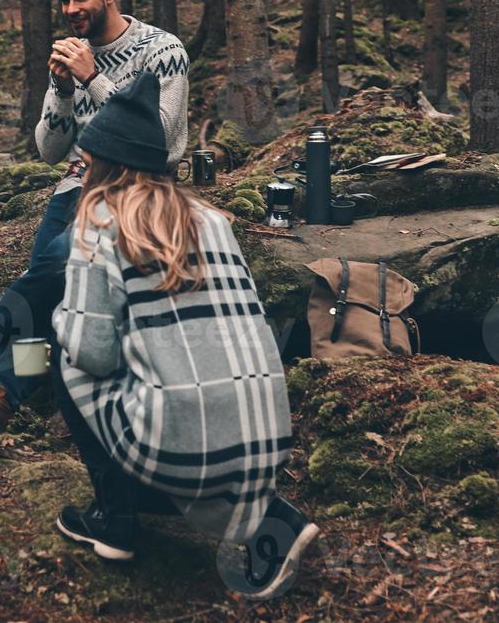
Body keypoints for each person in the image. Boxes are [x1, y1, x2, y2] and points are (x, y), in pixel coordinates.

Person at [49, 72, 317, 601]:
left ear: (101, 161)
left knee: (69, 358)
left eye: (84, 160)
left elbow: (94, 352)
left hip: (182, 448)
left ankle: (114, 519)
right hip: (266, 433)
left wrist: (62, 317)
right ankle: (268, 516)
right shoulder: (211, 217)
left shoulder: (99, 221)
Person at [0, 0, 189, 414]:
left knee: (52, 267)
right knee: (44, 306)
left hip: (137, 190)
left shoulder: (162, 50)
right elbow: (48, 150)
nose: (71, 11)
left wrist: (92, 78)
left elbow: (161, 141)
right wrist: (65, 91)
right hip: (75, 185)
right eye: (65, 1)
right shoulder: (72, 56)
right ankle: (5, 392)